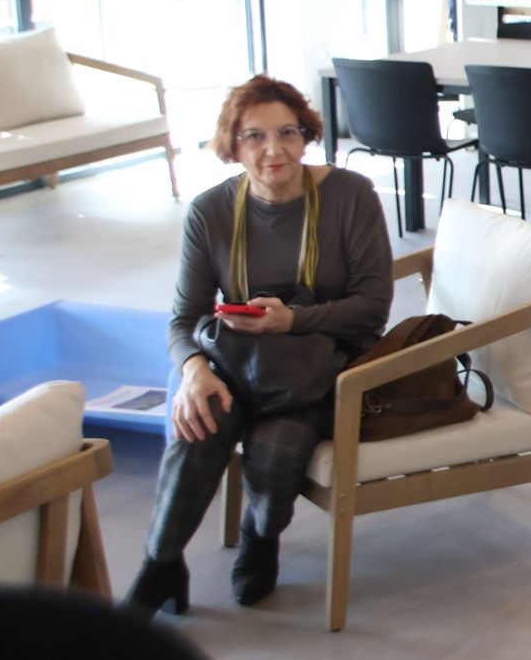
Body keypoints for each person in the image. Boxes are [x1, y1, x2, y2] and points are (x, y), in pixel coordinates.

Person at [126, 76, 393, 615]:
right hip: (234, 367)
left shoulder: (350, 196)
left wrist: (291, 320)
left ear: (306, 134)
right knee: (196, 423)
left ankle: (259, 536)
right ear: (233, 146)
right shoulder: (210, 212)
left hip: (321, 374)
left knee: (276, 457)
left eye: (287, 133)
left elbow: (373, 307)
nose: (274, 150)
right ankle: (161, 563)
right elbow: (184, 318)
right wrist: (195, 371)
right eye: (254, 137)